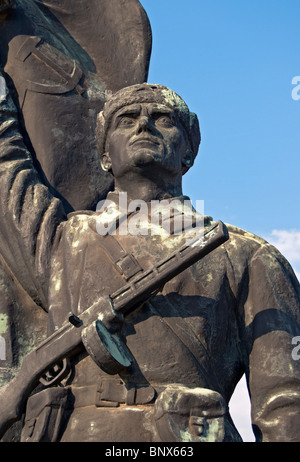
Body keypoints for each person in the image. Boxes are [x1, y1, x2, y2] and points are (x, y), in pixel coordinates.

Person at [0, 80, 300, 442]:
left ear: (189, 151)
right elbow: (7, 173)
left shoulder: (248, 255)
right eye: (125, 119)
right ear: (105, 156)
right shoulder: (67, 241)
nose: (144, 125)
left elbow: (286, 405)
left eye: (163, 118)